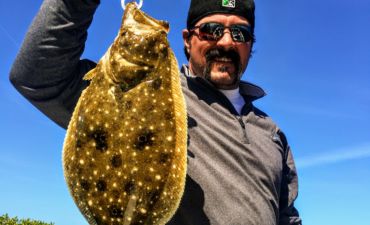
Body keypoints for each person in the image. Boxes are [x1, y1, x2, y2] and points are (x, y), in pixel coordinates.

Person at [9, 0, 302, 224]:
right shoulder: (151, 89)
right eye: (212, 30)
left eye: (239, 33)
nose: (225, 42)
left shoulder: (273, 132)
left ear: (250, 45)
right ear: (187, 40)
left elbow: (287, 216)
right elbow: (36, 76)